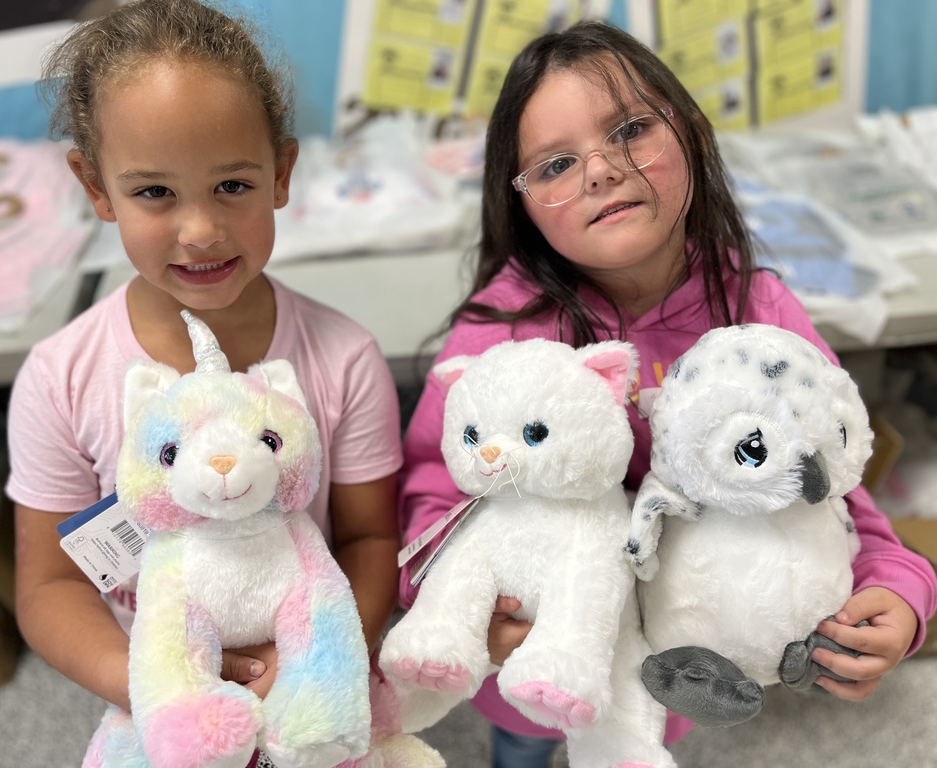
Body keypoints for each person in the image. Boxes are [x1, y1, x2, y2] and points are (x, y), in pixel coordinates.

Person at [397, 19, 937, 768]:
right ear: (518, 202)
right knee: (522, 742)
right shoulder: (504, 328)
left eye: (629, 130)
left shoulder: (759, 310)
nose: (599, 170)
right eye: (555, 164)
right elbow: (432, 482)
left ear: (688, 133)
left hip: (669, 648)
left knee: (634, 743)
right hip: (529, 652)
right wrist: (462, 606)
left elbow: (827, 475)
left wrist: (900, 584)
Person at [7, 1, 402, 764]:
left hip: (311, 696)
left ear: (281, 173)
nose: (200, 230)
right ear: (96, 188)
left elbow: (369, 535)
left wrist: (310, 670)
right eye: (154, 193)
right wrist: (166, 691)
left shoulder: (344, 358)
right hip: (162, 710)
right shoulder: (60, 379)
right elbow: (49, 587)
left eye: (232, 185)